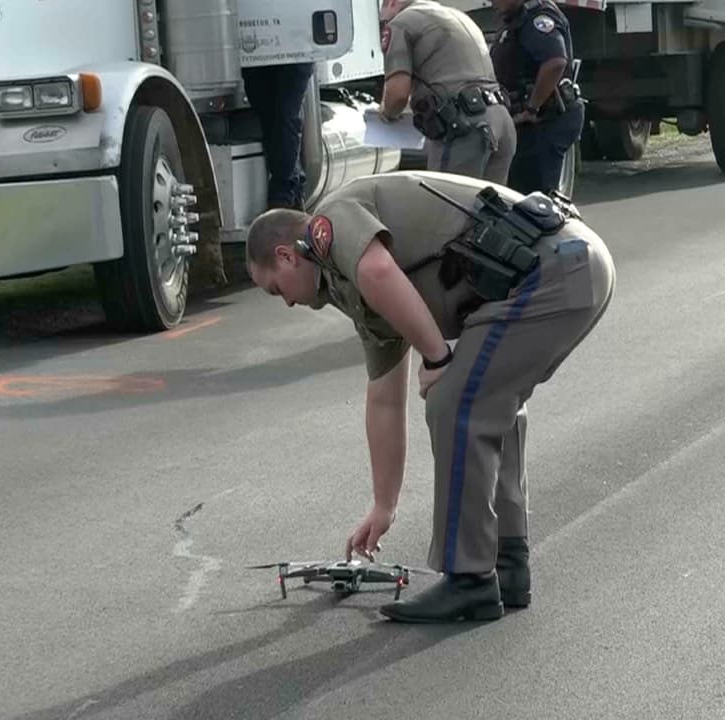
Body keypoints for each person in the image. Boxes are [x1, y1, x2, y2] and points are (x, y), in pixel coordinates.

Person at [244, 170, 615, 623]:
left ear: (285, 256)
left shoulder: (330, 223)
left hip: (557, 268)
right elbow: (384, 398)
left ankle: (470, 580)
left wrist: (437, 358)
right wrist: (384, 506)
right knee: (487, 401)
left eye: (276, 289)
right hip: (569, 266)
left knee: (455, 403)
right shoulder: (349, 284)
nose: (285, 302)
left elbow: (379, 270)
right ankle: (507, 566)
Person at [378, 0, 517, 183]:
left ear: (392, 2)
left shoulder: (400, 23)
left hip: (465, 129)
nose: (384, 24)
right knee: (489, 201)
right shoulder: (457, 16)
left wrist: (385, 113)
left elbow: (398, 95)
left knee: (445, 200)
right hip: (502, 122)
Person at [489, 0, 585, 194]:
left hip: (545, 120)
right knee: (520, 194)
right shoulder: (514, 19)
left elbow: (555, 62)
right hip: (529, 123)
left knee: (536, 199)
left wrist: (531, 108)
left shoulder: (537, 18)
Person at [242, 62, 316, 210]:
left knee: (285, 115)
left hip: (295, 54)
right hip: (257, 57)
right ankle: (293, 191)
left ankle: (282, 196)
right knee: (270, 116)